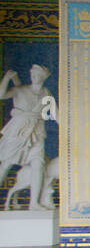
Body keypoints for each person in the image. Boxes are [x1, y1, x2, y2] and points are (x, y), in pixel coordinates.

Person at [0, 65, 54, 208]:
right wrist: (6, 79)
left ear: (44, 77)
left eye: (37, 74)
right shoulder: (20, 90)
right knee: (6, 164)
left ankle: (34, 203)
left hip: (36, 131)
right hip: (18, 130)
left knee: (38, 164)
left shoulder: (46, 94)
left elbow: (54, 113)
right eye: (32, 74)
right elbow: (1, 95)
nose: (34, 77)